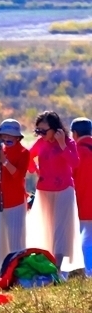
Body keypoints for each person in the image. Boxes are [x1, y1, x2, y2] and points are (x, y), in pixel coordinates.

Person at [26, 110, 83, 273]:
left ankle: (58, 268)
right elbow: (28, 157)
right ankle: (45, 264)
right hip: (44, 190)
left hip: (64, 189)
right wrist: (35, 169)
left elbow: (75, 163)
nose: (41, 134)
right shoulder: (40, 143)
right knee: (44, 227)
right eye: (38, 131)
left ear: (55, 129)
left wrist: (63, 144)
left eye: (44, 131)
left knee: (61, 229)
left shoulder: (68, 142)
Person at [0, 119, 31, 279]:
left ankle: (15, 275)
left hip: (14, 202)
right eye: (2, 139)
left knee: (15, 241)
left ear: (18, 138)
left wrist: (5, 162)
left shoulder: (24, 153)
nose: (6, 142)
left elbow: (19, 177)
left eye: (10, 139)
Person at [70, 117, 92, 276]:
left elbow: (70, 177)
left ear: (75, 133)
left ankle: (89, 272)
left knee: (85, 239)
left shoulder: (76, 152)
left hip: (82, 203)